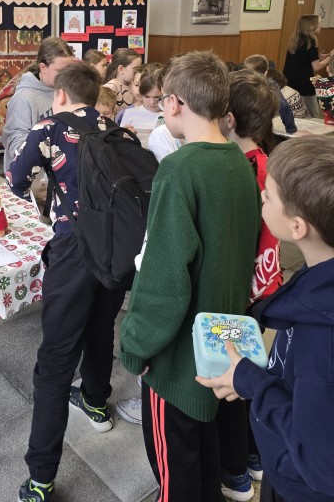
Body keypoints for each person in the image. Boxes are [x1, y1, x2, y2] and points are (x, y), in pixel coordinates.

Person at [120, 50, 261, 502]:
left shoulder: (179, 169)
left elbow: (164, 278)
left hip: (177, 359)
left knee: (175, 470)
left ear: (175, 103)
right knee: (204, 455)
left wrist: (136, 344)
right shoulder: (238, 159)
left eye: (163, 98)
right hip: (222, 341)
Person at [7, 62, 124, 502]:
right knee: (101, 329)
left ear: (59, 94)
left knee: (55, 360)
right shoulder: (117, 130)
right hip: (115, 247)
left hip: (73, 248)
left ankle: (41, 478)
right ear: (94, 96)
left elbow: (16, 180)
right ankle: (95, 400)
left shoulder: (49, 128)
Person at [197, 136, 334, 502]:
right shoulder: (319, 272)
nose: (262, 196)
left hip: (298, 487)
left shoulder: (321, 338)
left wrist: (252, 382)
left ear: (297, 227)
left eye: (269, 195)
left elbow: (321, 465)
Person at [216, 69, 282, 501]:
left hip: (242, 294)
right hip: (266, 288)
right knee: (252, 370)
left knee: (233, 382)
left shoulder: (239, 170)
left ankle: (236, 472)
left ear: (229, 119)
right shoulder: (266, 161)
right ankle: (255, 456)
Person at [2, 37, 74, 174]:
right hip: (32, 177)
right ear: (43, 68)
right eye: (60, 71)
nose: (67, 76)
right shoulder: (24, 96)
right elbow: (14, 141)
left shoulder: (67, 90)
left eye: (70, 70)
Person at [283, 14, 334, 117]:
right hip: (304, 84)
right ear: (311, 27)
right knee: (313, 114)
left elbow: (301, 59)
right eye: (319, 24)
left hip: (289, 82)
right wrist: (330, 57)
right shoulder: (311, 41)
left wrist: (318, 57)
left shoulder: (296, 40)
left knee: (293, 112)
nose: (321, 26)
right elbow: (316, 67)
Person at [243, 54, 300, 138]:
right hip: (260, 128)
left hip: (243, 126)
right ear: (266, 72)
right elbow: (283, 106)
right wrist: (291, 129)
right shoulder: (270, 85)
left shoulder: (239, 83)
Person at [119, 63, 164, 147]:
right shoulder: (130, 113)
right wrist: (126, 136)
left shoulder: (169, 115)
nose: (152, 102)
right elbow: (120, 143)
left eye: (157, 97)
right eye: (147, 96)